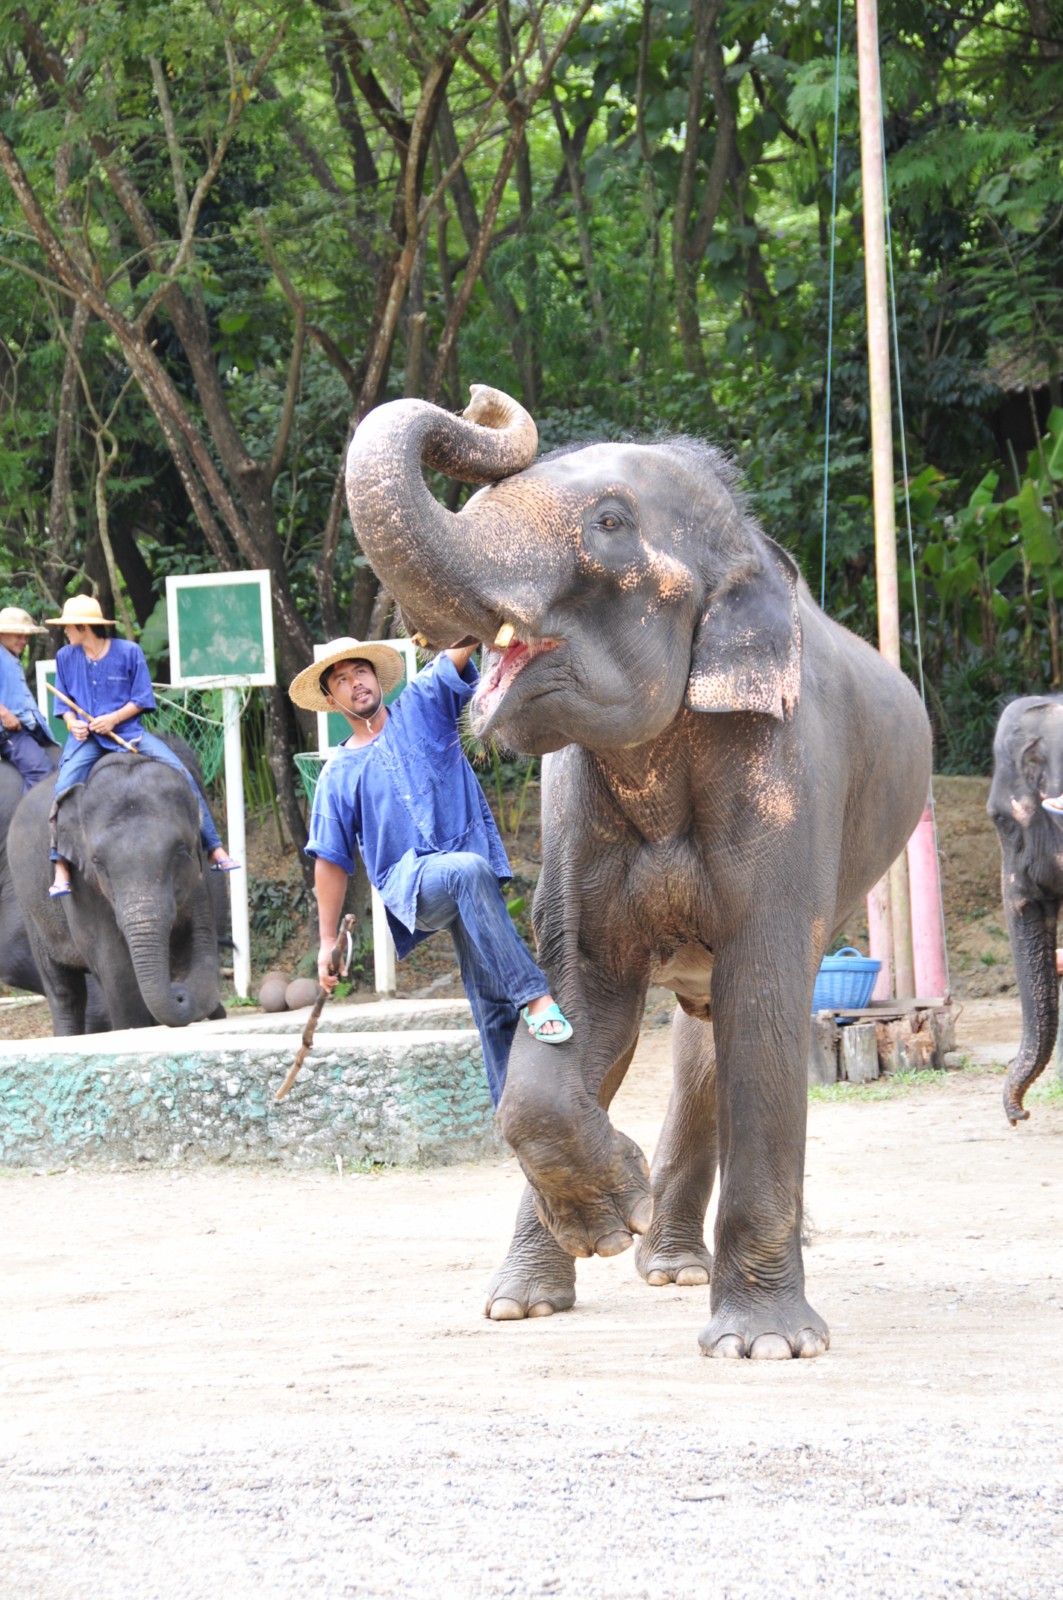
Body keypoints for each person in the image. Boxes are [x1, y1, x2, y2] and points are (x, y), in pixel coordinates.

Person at [289, 636, 572, 1106]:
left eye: (360, 671)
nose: (355, 682)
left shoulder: (422, 702)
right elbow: (330, 863)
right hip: (414, 886)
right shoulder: (337, 774)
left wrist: (482, 620)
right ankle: (534, 995)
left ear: (376, 678)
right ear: (331, 699)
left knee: (491, 1006)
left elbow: (459, 651)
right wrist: (325, 943)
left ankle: (516, 1126)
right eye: (341, 679)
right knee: (464, 872)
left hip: (471, 877)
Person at [45, 595, 239, 897]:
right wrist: (74, 724)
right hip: (88, 741)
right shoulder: (65, 657)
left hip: (129, 733)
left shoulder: (129, 652)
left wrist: (112, 719)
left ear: (84, 627)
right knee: (63, 788)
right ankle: (60, 866)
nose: (65, 632)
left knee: (180, 773)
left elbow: (141, 699)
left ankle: (214, 848)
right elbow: (64, 703)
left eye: (68, 626)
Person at [0, 604, 59, 790]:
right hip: (8, 732)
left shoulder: (10, 656)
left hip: (26, 728)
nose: (25, 640)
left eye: (27, 636)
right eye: (19, 634)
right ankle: (30, 819)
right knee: (42, 773)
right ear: (2, 633)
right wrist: (3, 713)